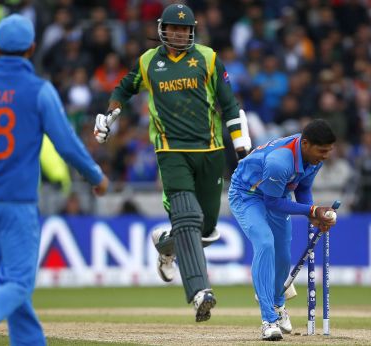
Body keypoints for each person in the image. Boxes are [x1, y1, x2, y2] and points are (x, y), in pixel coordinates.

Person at [93, 3, 251, 322]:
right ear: (162, 30)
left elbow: (229, 105)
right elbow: (123, 89)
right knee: (188, 216)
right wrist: (110, 115)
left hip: (210, 151)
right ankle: (199, 292)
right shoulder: (149, 61)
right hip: (171, 151)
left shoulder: (207, 58)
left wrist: (241, 146)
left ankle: (166, 245)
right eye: (173, 28)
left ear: (192, 31)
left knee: (206, 228)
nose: (179, 33)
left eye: (184, 29)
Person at [0, 14, 109, 345]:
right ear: (32, 49)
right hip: (16, 199)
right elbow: (67, 144)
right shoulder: (39, 91)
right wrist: (96, 175)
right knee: (18, 282)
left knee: (8, 280)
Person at [228, 119, 337, 341]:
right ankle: (268, 320)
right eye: (322, 151)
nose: (326, 156)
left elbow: (304, 187)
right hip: (247, 194)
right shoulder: (281, 161)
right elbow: (271, 203)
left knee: (283, 256)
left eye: (329, 151)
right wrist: (313, 210)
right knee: (265, 243)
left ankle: (278, 304)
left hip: (277, 193)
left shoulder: (314, 158)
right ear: (305, 144)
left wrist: (312, 214)